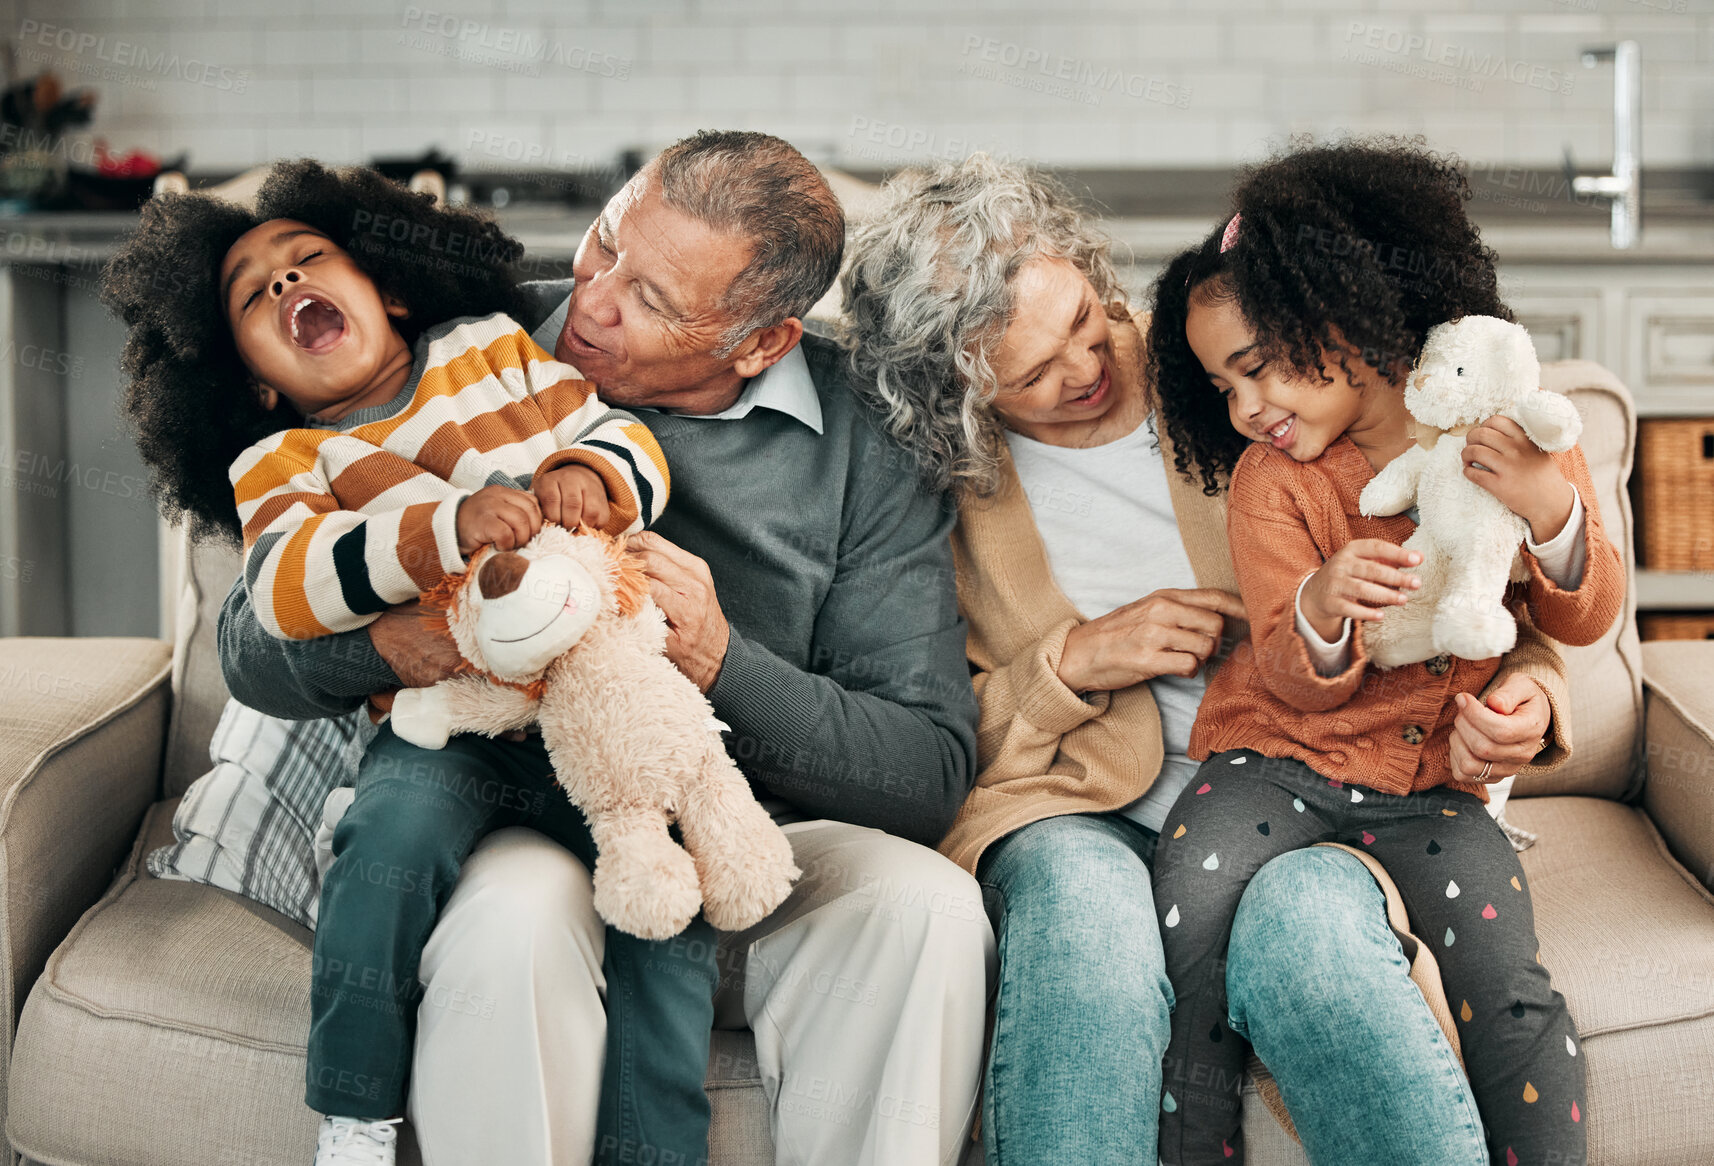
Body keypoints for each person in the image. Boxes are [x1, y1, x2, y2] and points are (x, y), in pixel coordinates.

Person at [215, 131, 994, 1166]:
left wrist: (721, 660)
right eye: (604, 244)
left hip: (742, 825)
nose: (591, 302)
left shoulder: (867, 439)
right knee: (514, 918)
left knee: (926, 906)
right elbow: (251, 642)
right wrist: (392, 643)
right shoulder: (482, 341)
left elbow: (922, 771)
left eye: (654, 302)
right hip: (524, 804)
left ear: (760, 343)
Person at [840, 152, 1573, 1166]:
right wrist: (1074, 661)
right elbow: (907, 730)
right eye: (1037, 374)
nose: (1090, 366)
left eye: (1087, 320)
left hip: (1305, 780)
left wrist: (1534, 684)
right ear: (957, 394)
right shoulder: (931, 482)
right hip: (1070, 801)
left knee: (1309, 934)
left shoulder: (1243, 374)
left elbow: (1464, 569)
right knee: (1089, 925)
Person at [102, 160, 719, 1166]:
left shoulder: (496, 354)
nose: (287, 286)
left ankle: (654, 1146)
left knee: (662, 896)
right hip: (444, 725)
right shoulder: (284, 463)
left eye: (307, 262)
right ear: (254, 376)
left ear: (387, 289)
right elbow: (291, 586)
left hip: (594, 713)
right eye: (256, 296)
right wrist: (442, 528)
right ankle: (356, 1111)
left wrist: (582, 471)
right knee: (384, 845)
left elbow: (627, 441)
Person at [1146, 140, 1624, 1166]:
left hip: (1431, 785)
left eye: (1257, 364)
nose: (1242, 408)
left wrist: (1551, 509)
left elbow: (1584, 619)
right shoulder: (1270, 484)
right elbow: (1281, 669)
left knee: (1508, 984)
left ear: (1346, 315)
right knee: (1186, 924)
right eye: (1219, 385)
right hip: (1268, 762)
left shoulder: (1504, 431)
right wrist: (1320, 604)